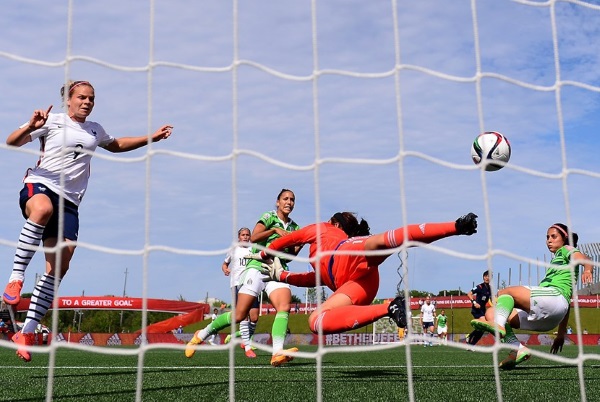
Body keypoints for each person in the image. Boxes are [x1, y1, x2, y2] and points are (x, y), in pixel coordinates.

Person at [3, 80, 173, 362]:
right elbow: (12, 141)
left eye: (91, 98)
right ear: (68, 100)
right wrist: (31, 126)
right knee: (42, 209)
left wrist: (151, 137)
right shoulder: (51, 120)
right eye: (81, 97)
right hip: (41, 185)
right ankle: (15, 278)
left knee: (61, 265)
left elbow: (115, 145)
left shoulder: (95, 129)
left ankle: (27, 331)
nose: (87, 102)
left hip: (70, 202)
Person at [250, 211, 478, 337]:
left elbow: (288, 239)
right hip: (358, 284)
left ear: (333, 222)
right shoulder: (321, 264)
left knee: (387, 240)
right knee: (315, 321)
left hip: (347, 255)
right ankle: (390, 307)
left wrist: (263, 255)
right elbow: (312, 279)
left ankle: (456, 226)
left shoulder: (324, 228)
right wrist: (282, 277)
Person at [186, 189, 302, 366]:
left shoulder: (295, 228)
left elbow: (290, 256)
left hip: (277, 269)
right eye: (285, 199)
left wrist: (302, 243)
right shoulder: (269, 217)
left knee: (284, 306)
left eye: (292, 200)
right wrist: (274, 231)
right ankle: (201, 334)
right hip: (257, 266)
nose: (289, 202)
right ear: (277, 202)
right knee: (239, 315)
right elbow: (254, 238)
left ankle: (277, 352)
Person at [471, 223, 593, 370]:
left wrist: (587, 270)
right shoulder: (558, 263)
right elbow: (566, 305)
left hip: (554, 299)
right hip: (551, 317)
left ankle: (499, 326)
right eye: (547, 237)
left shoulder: (566, 249)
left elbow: (584, 257)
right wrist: (560, 334)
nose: (549, 240)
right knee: (491, 313)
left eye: (553, 236)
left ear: (565, 238)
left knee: (504, 292)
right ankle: (517, 349)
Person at [221, 227, 259, 357]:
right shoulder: (233, 250)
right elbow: (225, 264)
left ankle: (243, 339)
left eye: (247, 235)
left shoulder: (254, 249)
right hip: (237, 284)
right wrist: (225, 269)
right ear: (239, 237)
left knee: (254, 317)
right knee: (243, 315)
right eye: (243, 235)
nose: (245, 237)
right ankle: (248, 346)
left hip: (252, 284)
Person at [466, 270, 492, 346]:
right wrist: (474, 302)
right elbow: (469, 293)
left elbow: (493, 299)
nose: (487, 278)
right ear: (483, 277)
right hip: (477, 310)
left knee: (483, 329)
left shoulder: (490, 288)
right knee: (484, 324)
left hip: (483, 310)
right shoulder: (479, 287)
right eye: (486, 276)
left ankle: (471, 344)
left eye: (489, 276)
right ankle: (470, 336)